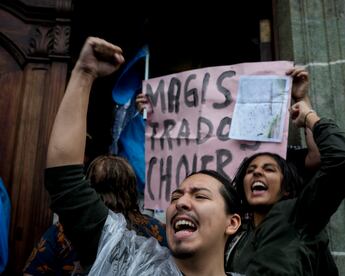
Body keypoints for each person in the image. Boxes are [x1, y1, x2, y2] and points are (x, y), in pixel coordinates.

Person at [44, 36, 242, 275]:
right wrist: (84, 74)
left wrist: (301, 117)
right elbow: (66, 183)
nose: (180, 202)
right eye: (174, 196)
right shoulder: (128, 263)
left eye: (200, 196)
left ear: (232, 223)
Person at [225, 99, 345, 274]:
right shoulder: (235, 238)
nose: (257, 173)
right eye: (251, 170)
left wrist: (308, 116)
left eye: (269, 169)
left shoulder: (301, 213)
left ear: (287, 187)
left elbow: (343, 160)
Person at [23, 155, 168, 276]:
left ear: (90, 186)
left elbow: (32, 272)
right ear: (130, 188)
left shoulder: (63, 231)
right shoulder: (156, 229)